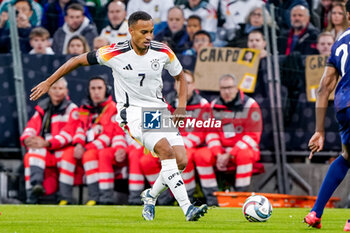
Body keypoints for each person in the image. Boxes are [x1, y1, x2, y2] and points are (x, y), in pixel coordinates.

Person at [30, 11, 208, 221]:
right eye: (144, 32)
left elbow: (180, 76)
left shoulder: (162, 51)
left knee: (180, 160)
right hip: (133, 112)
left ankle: (150, 196)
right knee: (165, 152)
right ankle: (188, 208)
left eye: (151, 31)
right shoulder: (114, 52)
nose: (149, 36)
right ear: (131, 31)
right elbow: (77, 60)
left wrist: (181, 106)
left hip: (159, 110)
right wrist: (49, 82)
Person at [304, 1, 350, 231]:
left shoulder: (340, 42)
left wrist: (319, 130)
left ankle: (315, 213)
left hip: (342, 106)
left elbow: (324, 88)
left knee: (346, 157)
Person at [140, 69, 212, 205]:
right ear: (174, 85)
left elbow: (201, 132)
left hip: (192, 146)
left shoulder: (203, 105)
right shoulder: (165, 104)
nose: (184, 86)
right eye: (180, 83)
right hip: (169, 145)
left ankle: (187, 198)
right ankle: (162, 198)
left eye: (188, 83)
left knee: (184, 156)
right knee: (146, 160)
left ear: (194, 85)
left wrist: (178, 145)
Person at [194, 74, 262, 192]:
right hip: (221, 150)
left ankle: (242, 195)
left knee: (244, 155)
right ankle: (212, 197)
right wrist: (218, 154)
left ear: (237, 88)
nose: (227, 91)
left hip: (244, 149)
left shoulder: (250, 104)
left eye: (230, 87)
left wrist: (231, 154)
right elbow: (211, 133)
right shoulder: (214, 106)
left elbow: (252, 137)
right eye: (223, 88)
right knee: (201, 155)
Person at [58, 77, 117, 205]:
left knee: (89, 155)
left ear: (107, 90)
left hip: (106, 148)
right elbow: (80, 129)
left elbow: (107, 136)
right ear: (88, 91)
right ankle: (65, 198)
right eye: (93, 88)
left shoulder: (113, 108)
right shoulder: (84, 108)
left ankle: (94, 197)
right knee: (68, 154)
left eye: (100, 88)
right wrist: (79, 144)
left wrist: (85, 148)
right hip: (86, 147)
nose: (96, 92)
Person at [20, 78, 79, 204]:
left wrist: (47, 143)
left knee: (67, 156)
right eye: (54, 88)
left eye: (60, 88)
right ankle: (33, 193)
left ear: (66, 91)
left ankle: (65, 198)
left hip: (62, 150)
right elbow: (31, 127)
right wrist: (27, 140)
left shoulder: (72, 109)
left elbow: (68, 134)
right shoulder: (42, 108)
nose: (57, 92)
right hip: (47, 151)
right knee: (32, 150)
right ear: (48, 91)